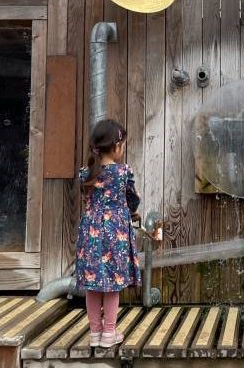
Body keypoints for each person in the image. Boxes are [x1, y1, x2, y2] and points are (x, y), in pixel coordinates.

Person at [75, 119, 141, 348]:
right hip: (115, 232)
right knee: (112, 285)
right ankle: (109, 334)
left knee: (93, 285)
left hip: (91, 233)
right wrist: (130, 211)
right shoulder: (123, 172)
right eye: (122, 144)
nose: (122, 149)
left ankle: (95, 334)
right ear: (115, 146)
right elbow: (132, 199)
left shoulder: (85, 173)